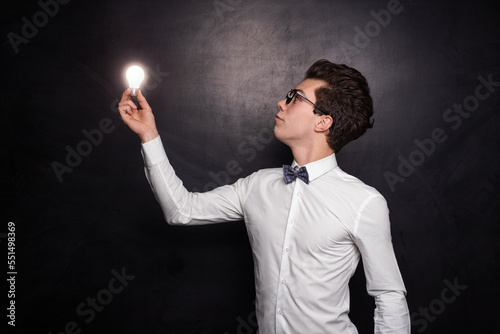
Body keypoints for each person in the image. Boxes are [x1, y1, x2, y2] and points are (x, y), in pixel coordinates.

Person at [118, 59, 410, 333]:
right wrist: (149, 135)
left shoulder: (365, 203)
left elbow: (389, 295)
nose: (281, 102)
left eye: (295, 97)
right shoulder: (257, 185)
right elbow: (181, 209)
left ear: (322, 122)